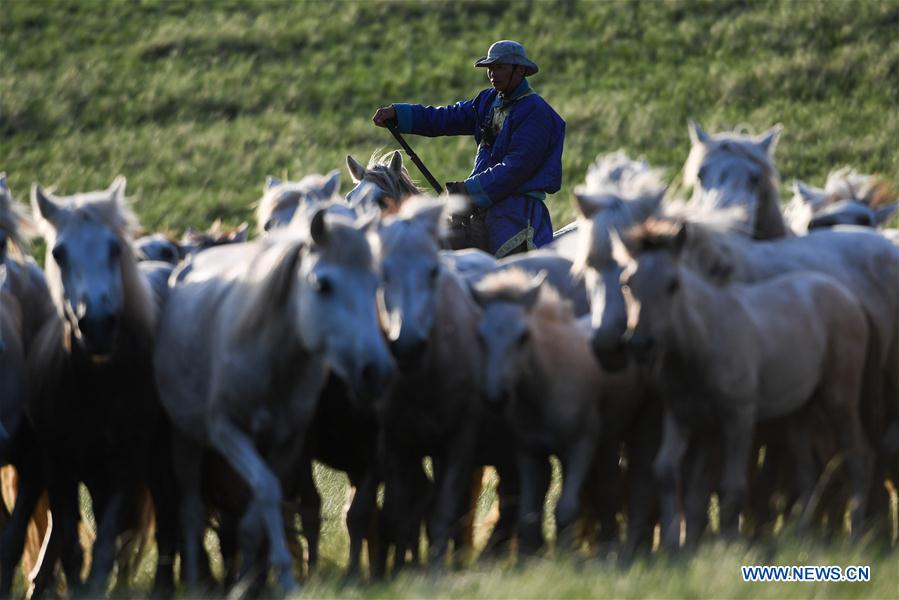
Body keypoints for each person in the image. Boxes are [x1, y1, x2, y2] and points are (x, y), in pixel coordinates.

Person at [373, 40, 565, 257]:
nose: (493, 73)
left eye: (500, 67)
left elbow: (515, 168)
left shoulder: (536, 112)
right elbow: (445, 117)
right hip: (482, 210)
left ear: (519, 70)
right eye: (490, 68)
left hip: (518, 215)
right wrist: (399, 114)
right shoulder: (487, 100)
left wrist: (469, 190)